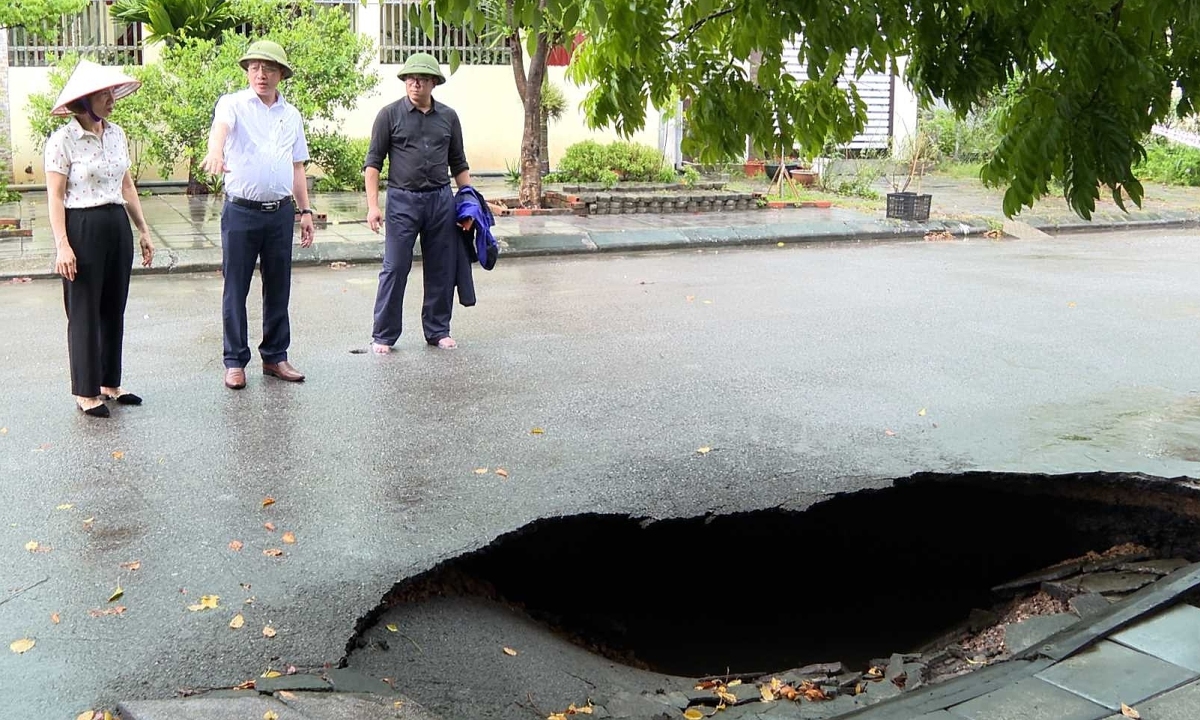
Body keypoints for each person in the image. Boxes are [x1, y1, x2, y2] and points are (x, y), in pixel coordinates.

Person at [201, 39, 315, 390]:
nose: (260, 74)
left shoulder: (290, 115)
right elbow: (220, 132)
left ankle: (275, 356)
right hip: (241, 213)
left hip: (280, 213)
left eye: (268, 68)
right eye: (254, 67)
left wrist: (305, 210)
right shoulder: (233, 104)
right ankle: (235, 361)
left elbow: (296, 166)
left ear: (281, 74)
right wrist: (216, 153)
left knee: (278, 286)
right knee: (236, 286)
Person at [45, 59, 155, 418]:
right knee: (83, 310)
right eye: (104, 94)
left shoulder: (117, 134)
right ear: (85, 100)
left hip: (115, 225)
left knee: (113, 307)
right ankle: (86, 391)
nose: (112, 99)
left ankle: (110, 382)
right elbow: (55, 196)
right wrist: (62, 242)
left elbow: (126, 184)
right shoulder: (63, 141)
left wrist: (142, 229)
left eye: (112, 92)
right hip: (82, 226)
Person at [363, 52, 473, 353]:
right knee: (395, 267)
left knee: (441, 268)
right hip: (402, 201)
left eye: (422, 79)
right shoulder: (389, 115)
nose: (415, 83)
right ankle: (383, 335)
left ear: (434, 83)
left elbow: (459, 164)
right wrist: (373, 206)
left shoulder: (448, 117)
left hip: (440, 200)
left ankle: (438, 330)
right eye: (410, 78)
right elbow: (373, 163)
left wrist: (469, 206)